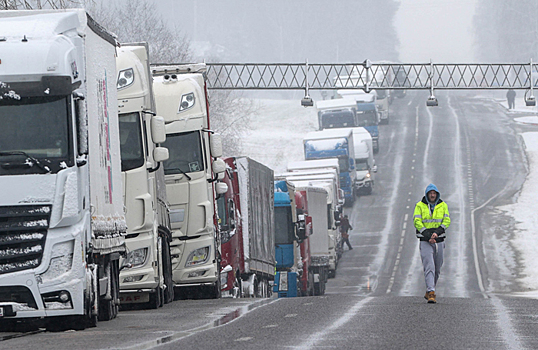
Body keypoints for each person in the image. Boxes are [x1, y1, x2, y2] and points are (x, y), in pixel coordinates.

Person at [413, 184, 450, 304]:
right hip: (425, 240)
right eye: (430, 193)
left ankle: (429, 289)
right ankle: (431, 292)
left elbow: (447, 221)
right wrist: (429, 235)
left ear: (437, 194)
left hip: (439, 240)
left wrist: (437, 233)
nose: (432, 195)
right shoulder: (419, 206)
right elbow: (417, 221)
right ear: (427, 194)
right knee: (430, 266)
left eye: (434, 193)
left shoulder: (443, 206)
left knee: (437, 268)